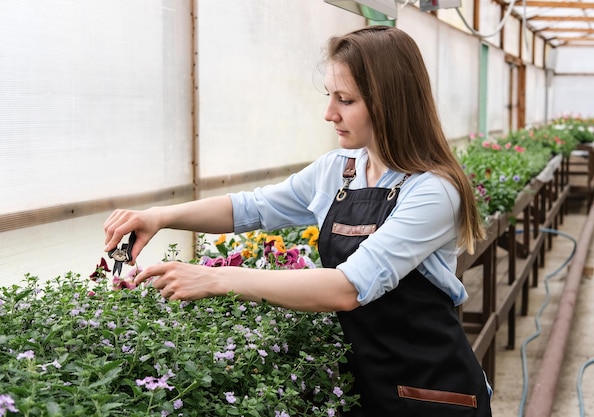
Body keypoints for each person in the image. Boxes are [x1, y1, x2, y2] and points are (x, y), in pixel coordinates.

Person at [103, 25, 492, 416]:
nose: (329, 113)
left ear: (390, 102)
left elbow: (347, 288)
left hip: (435, 394)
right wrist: (160, 216)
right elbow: (250, 208)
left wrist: (215, 278)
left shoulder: (432, 191)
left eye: (346, 100)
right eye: (330, 96)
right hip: (366, 386)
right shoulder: (339, 170)